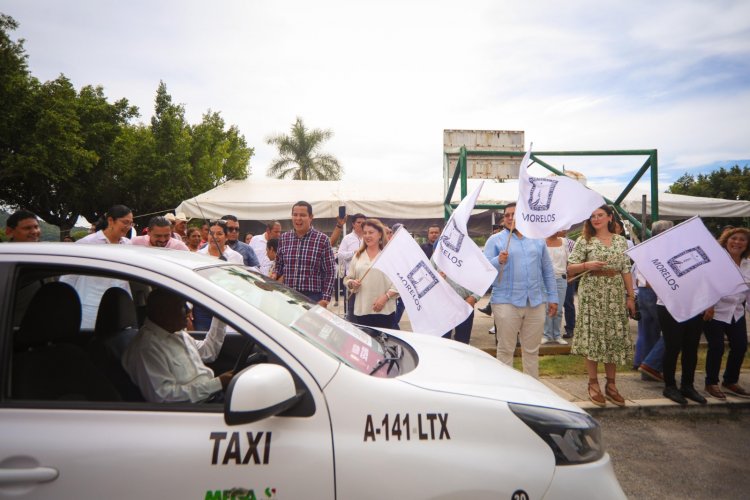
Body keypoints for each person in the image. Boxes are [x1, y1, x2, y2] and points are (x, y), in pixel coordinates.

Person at [567, 205, 635, 407]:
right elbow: (570, 268)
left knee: (612, 337)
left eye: (600, 215)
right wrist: (587, 265)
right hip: (592, 294)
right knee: (594, 338)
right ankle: (593, 383)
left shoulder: (621, 241)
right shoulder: (584, 240)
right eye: (593, 216)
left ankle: (612, 384)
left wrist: (630, 297)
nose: (596, 219)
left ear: (609, 217)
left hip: (614, 294)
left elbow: (626, 270)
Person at [484, 202, 558, 379]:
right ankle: (506, 389)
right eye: (507, 215)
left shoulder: (537, 240)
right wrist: (497, 260)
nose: (510, 218)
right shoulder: (495, 240)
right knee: (505, 349)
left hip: (535, 301)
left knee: (532, 349)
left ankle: (532, 390)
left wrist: (553, 297)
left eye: (514, 214)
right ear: (503, 219)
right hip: (505, 302)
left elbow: (547, 270)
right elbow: (484, 269)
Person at [122, 288, 233, 403]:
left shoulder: (178, 334)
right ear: (162, 313)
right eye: (181, 306)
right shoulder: (147, 348)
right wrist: (218, 383)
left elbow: (209, 352)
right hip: (196, 411)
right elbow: (164, 397)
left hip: (212, 397)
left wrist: (221, 313)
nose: (188, 310)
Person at [63, 205, 133, 328]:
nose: (128, 227)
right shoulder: (87, 244)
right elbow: (68, 279)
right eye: (125, 222)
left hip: (119, 308)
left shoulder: (128, 244)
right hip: (90, 309)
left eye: (131, 223)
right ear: (111, 220)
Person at [703, 227, 750, 399]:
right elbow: (706, 284)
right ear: (726, 240)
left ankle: (730, 380)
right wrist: (708, 305)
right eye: (734, 238)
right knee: (716, 347)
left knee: (740, 346)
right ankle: (711, 383)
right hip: (714, 310)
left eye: (742, 240)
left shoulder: (748, 265)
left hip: (736, 311)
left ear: (747, 244)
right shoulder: (717, 261)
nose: (737, 242)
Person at [273, 201, 335, 308]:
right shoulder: (284, 238)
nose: (298, 218)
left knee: (309, 325)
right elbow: (279, 265)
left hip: (312, 297)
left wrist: (325, 298)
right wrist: (274, 274)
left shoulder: (322, 240)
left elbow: (330, 271)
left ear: (311, 217)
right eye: (295, 215)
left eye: (302, 215)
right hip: (288, 295)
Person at [635, 220, 674, 382]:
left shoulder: (646, 246)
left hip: (644, 290)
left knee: (648, 330)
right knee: (672, 331)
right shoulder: (664, 247)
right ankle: (651, 364)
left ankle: (644, 365)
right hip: (655, 291)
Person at [343, 219, 398, 328]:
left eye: (371, 232)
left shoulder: (389, 255)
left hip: (385, 310)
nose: (367, 236)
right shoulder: (358, 255)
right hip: (362, 310)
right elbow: (348, 278)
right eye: (365, 233)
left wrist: (385, 297)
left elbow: (398, 282)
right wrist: (351, 283)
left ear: (380, 234)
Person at [542, 230, 569, 345]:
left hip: (560, 278)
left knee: (558, 309)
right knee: (547, 308)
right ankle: (546, 335)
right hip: (544, 279)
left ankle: (557, 335)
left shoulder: (565, 242)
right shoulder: (540, 242)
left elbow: (569, 260)